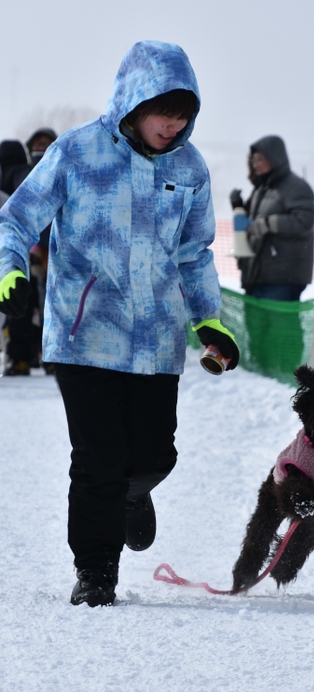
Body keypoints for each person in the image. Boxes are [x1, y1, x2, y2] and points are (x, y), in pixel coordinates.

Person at [0, 40, 239, 607]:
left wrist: (209, 319)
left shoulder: (190, 166)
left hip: (156, 339)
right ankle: (96, 572)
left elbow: (195, 252)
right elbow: (14, 222)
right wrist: (9, 272)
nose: (173, 125)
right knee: (98, 460)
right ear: (134, 101)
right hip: (84, 335)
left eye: (184, 115)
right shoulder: (77, 151)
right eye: (164, 111)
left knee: (157, 456)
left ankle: (133, 494)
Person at [1, 129, 58, 376]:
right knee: (28, 304)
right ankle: (32, 355)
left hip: (43, 248)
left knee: (42, 304)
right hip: (30, 248)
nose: (42, 147)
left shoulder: (56, 169)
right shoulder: (22, 173)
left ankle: (42, 355)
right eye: (38, 143)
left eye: (47, 143)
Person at [232, 135, 314, 300]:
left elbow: (304, 220)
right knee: (255, 325)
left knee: (281, 325)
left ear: (274, 158)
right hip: (258, 275)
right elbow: (251, 224)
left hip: (282, 277)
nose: (255, 165)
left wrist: (268, 224)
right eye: (253, 161)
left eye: (259, 159)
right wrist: (239, 208)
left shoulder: (295, 187)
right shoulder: (261, 189)